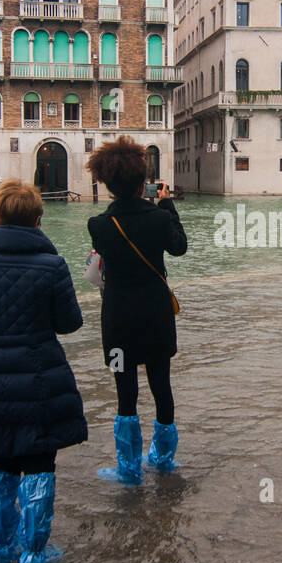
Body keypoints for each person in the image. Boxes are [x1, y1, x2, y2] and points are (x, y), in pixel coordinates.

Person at [0, 180, 87, 563]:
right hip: (40, 376)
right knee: (39, 463)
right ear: (37, 219)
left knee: (1, 462)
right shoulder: (53, 265)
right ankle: (34, 554)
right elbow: (70, 323)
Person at [86, 137, 188, 485]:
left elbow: (101, 265)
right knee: (162, 385)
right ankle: (163, 460)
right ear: (142, 180)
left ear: (107, 183)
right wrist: (167, 204)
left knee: (124, 389)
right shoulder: (159, 219)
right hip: (157, 318)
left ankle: (128, 469)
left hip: (118, 323)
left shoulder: (98, 226)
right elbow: (179, 248)